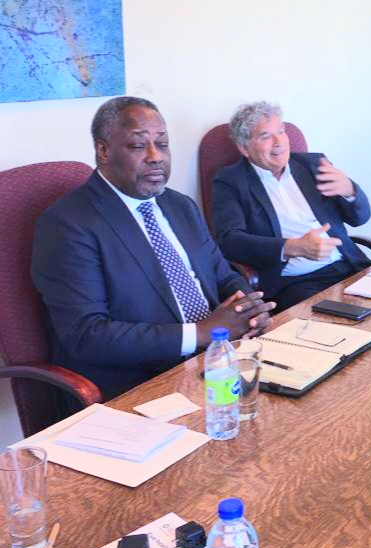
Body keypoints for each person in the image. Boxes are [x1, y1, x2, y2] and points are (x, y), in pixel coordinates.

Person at [32, 97, 275, 399]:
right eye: (138, 145)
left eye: (162, 144)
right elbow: (86, 334)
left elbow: (222, 275)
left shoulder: (180, 206)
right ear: (103, 151)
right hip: (138, 383)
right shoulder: (68, 224)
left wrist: (248, 309)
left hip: (215, 361)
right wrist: (200, 333)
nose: (155, 157)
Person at [212, 101, 371, 311]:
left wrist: (350, 191)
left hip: (349, 266)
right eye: (266, 136)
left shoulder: (313, 165)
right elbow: (229, 241)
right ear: (244, 148)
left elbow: (360, 219)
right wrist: (292, 247)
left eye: (281, 131)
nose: (279, 142)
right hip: (298, 283)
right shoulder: (230, 181)